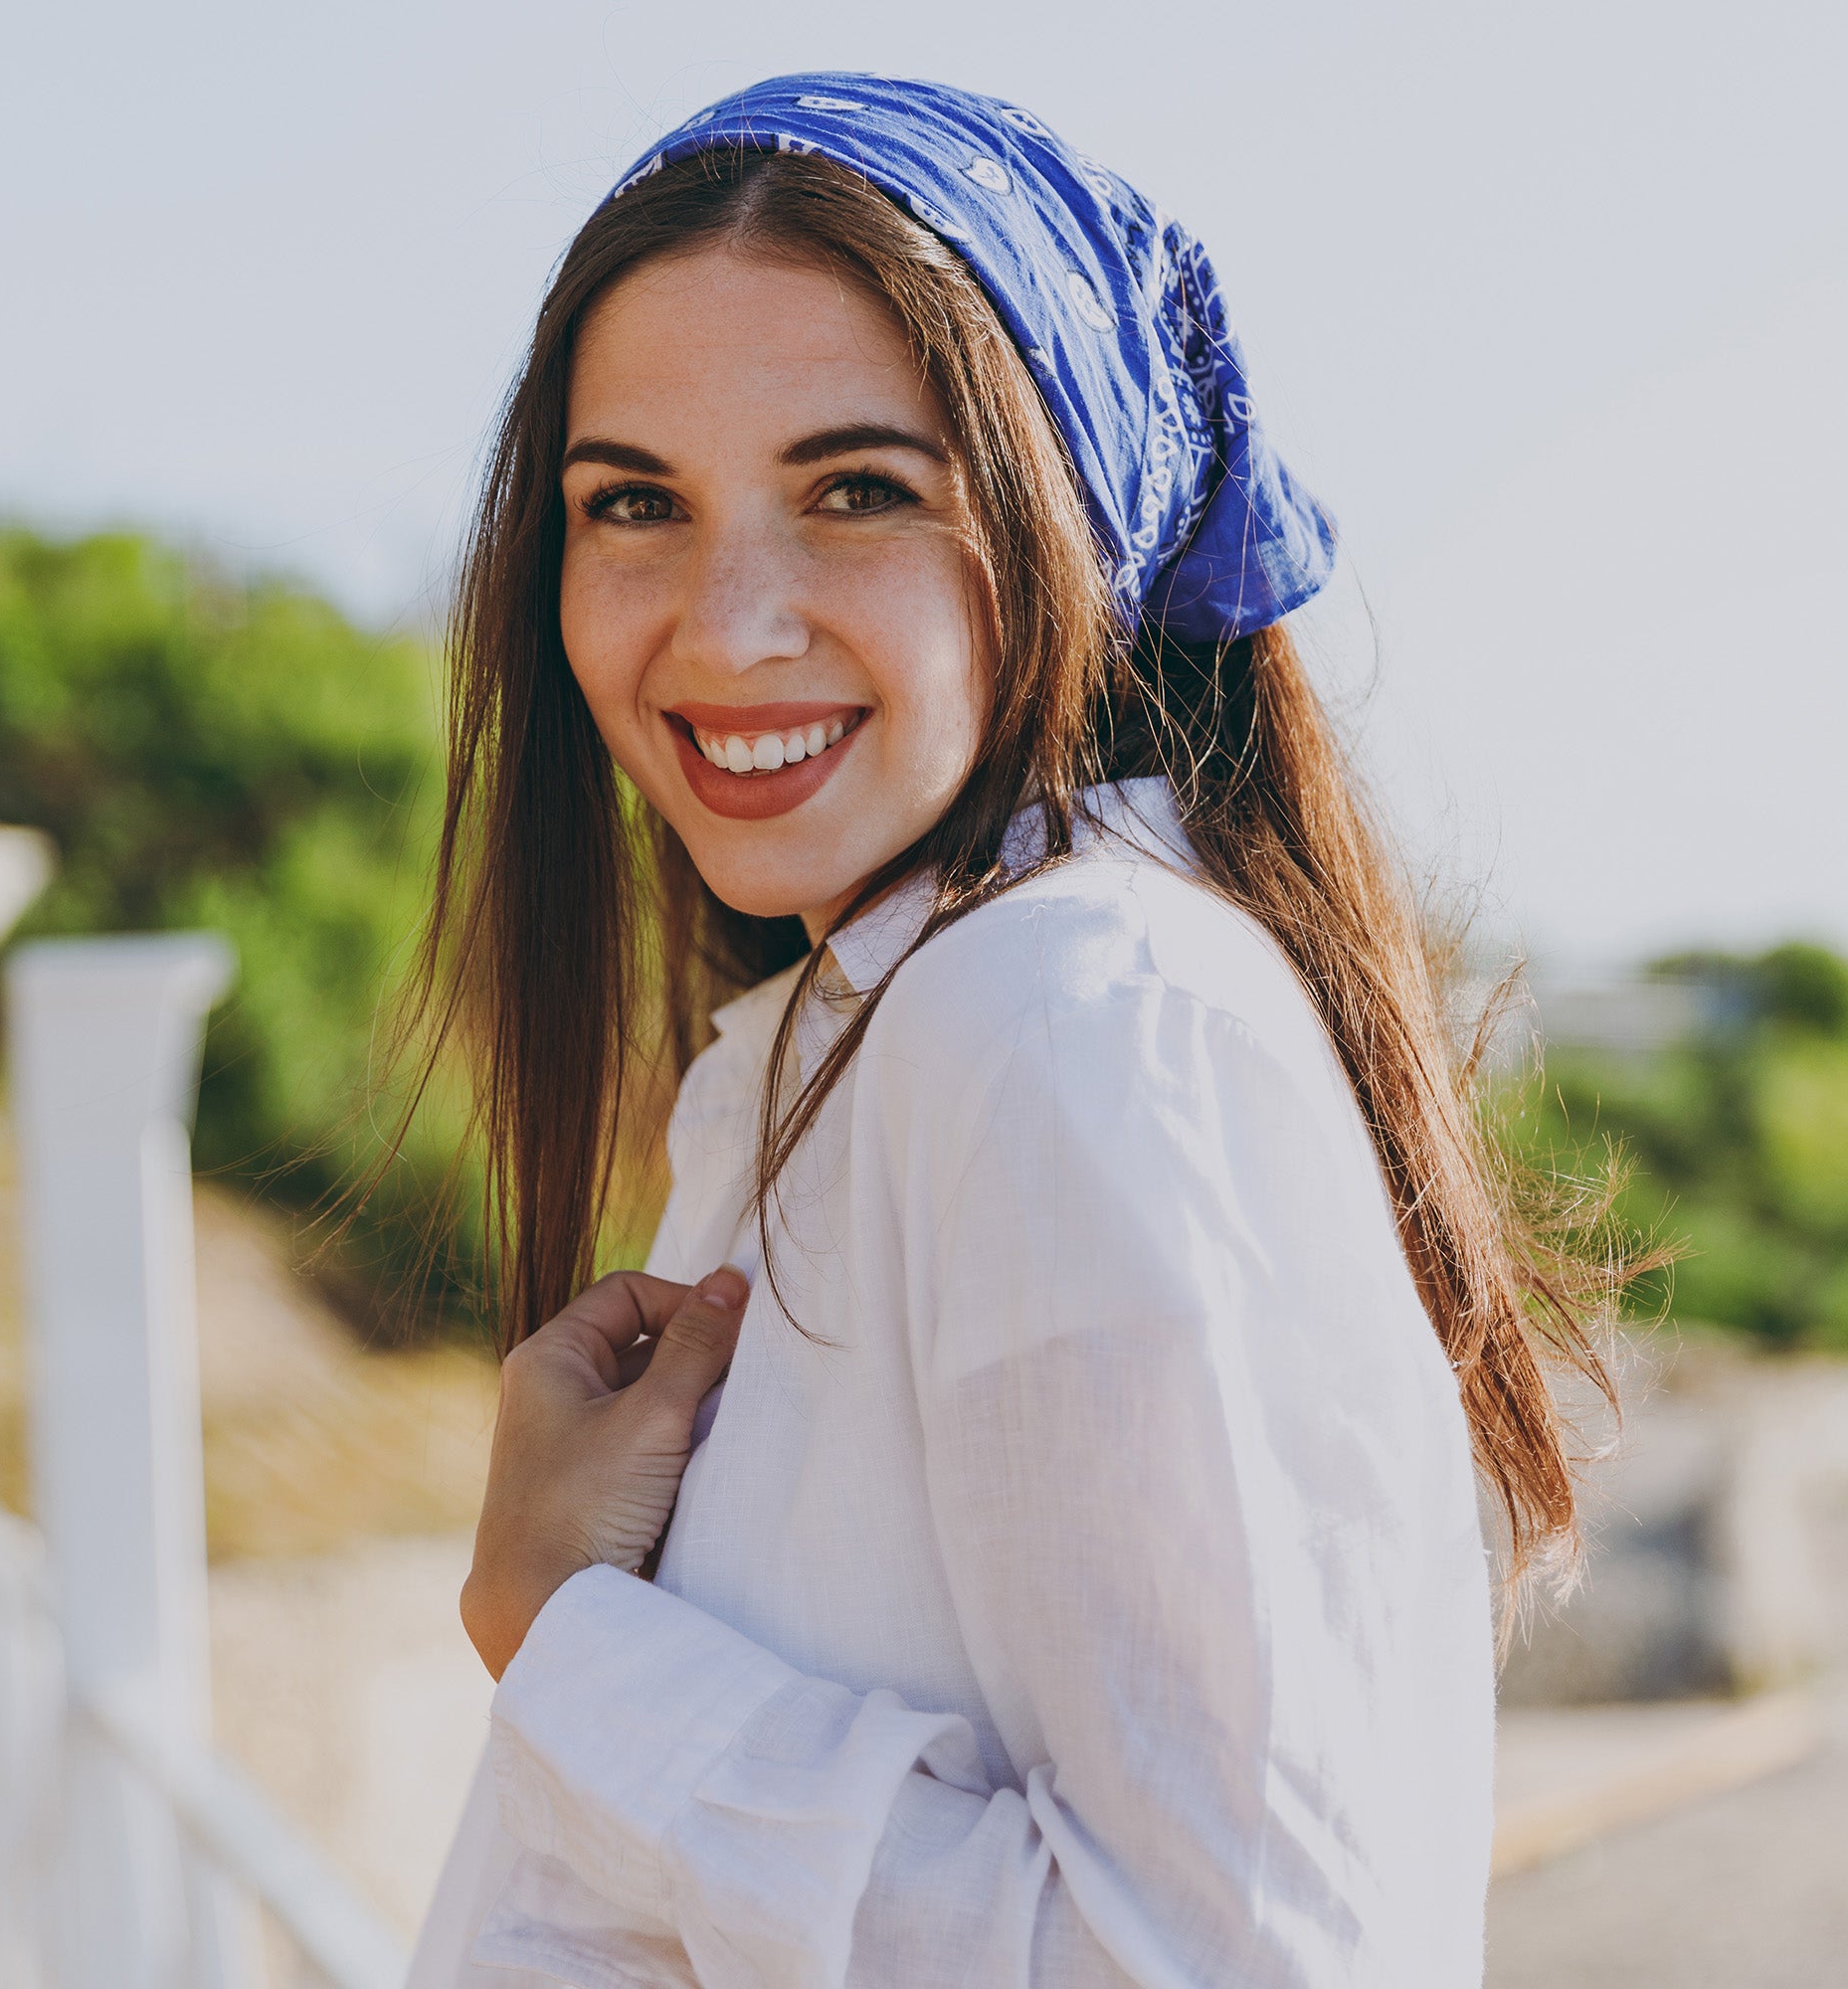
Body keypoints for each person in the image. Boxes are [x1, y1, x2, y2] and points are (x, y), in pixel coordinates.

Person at [403, 73, 1613, 1988]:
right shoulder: (853, 1032)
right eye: (632, 503)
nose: (723, 628)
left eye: (857, 490)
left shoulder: (1070, 1017)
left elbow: (1233, 1962)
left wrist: (571, 1640)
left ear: (1079, 534)